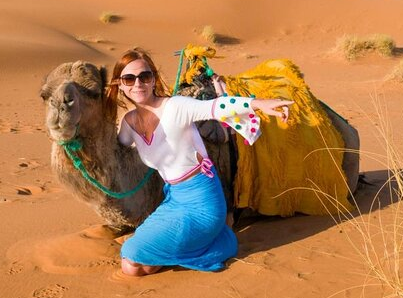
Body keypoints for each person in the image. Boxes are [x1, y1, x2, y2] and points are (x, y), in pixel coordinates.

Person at [105, 48, 293, 276]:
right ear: (120, 84)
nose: (138, 84)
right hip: (173, 202)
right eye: (129, 78)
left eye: (144, 76)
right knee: (138, 267)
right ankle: (206, 241)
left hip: (203, 201)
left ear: (153, 79)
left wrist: (259, 104)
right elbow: (114, 148)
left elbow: (217, 108)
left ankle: (220, 241)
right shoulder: (128, 123)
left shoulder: (175, 106)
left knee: (131, 255)